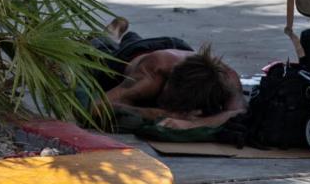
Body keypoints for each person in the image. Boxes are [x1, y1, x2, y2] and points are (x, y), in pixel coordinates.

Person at [92, 18, 245, 131]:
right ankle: (112, 32)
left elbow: (239, 112)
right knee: (100, 51)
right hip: (132, 57)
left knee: (135, 43)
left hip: (176, 47)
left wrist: (193, 123)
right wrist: (153, 113)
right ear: (169, 79)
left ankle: (127, 36)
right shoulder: (152, 74)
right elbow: (98, 106)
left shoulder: (228, 78)